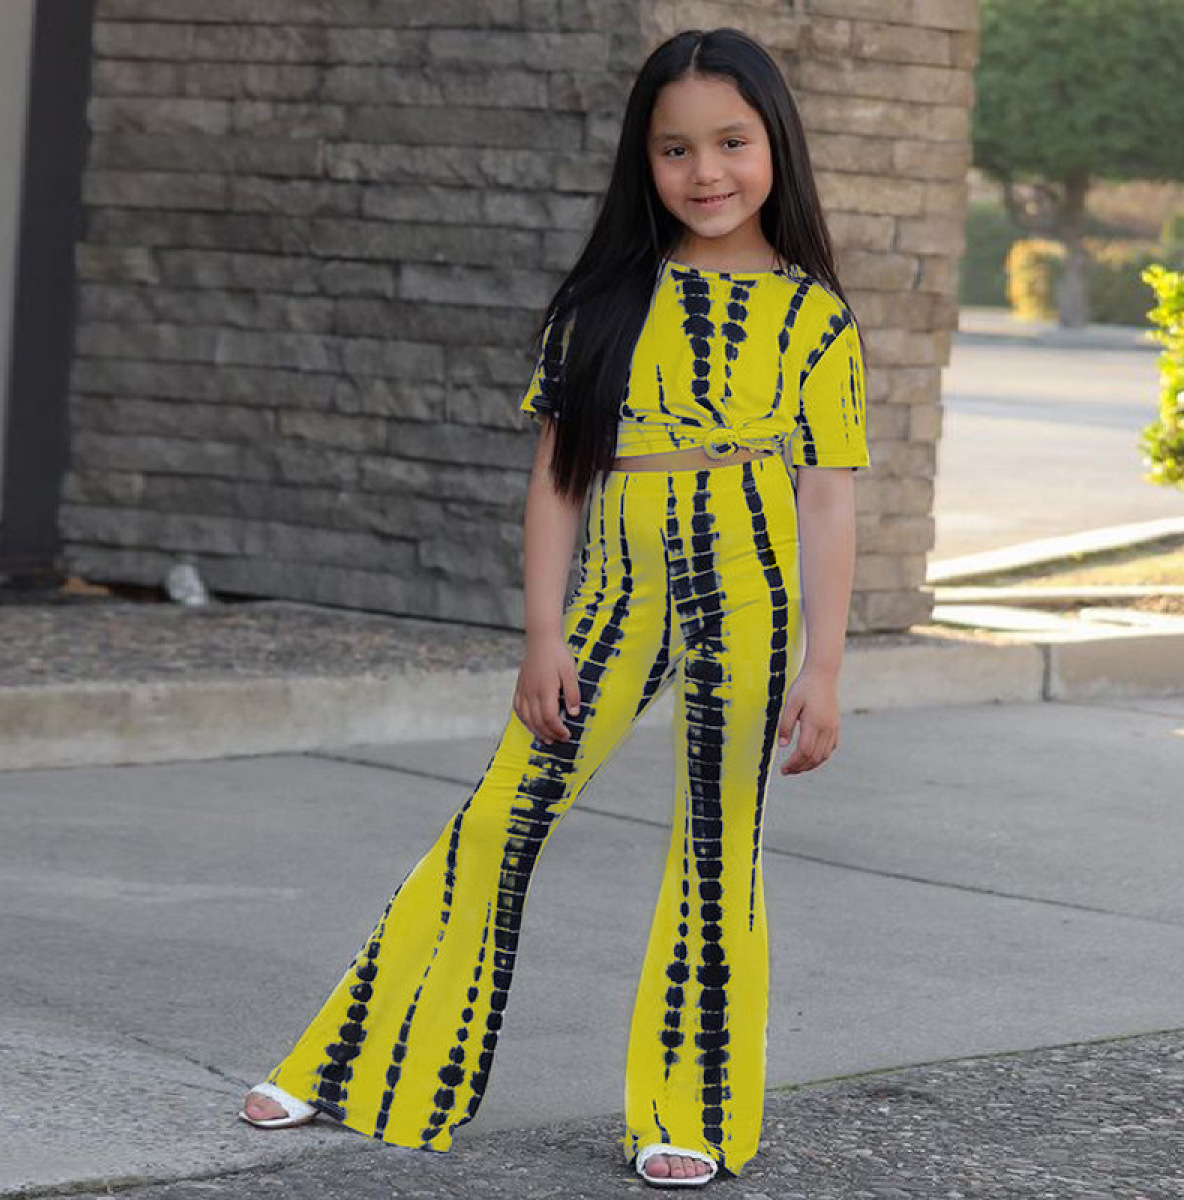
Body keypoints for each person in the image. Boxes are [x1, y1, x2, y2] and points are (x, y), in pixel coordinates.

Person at [239, 25, 870, 1189]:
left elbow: (827, 500)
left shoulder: (815, 317)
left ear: (776, 143)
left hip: (752, 587)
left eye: (732, 141)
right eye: (676, 149)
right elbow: (556, 483)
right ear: (645, 159)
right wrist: (542, 636)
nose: (707, 171)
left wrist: (823, 670)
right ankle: (355, 1066)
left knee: (718, 848)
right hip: (614, 596)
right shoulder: (601, 303)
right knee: (499, 814)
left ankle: (688, 1115)